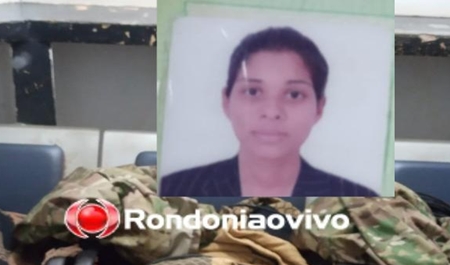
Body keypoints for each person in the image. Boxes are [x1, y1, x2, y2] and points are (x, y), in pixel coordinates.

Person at [159, 26, 378, 197]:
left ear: (319, 108)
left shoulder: (360, 200)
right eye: (253, 91)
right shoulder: (172, 188)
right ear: (226, 101)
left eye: (294, 94)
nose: (272, 111)